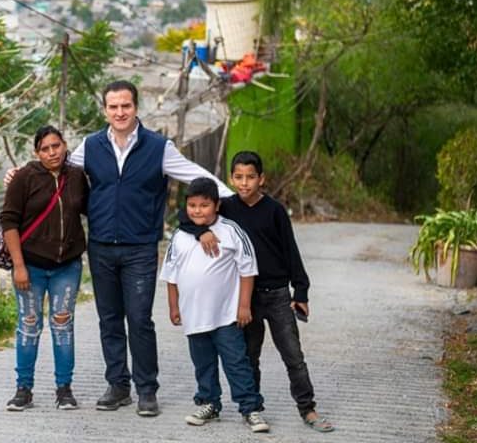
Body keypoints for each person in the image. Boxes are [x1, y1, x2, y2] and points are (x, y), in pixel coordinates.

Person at [67, 80, 232, 417]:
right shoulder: (91, 145)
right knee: (109, 319)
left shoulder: (159, 147)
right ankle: (117, 385)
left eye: (125, 106)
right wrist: (19, 176)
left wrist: (234, 198)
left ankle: (146, 390)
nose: (119, 112)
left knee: (140, 320)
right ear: (105, 110)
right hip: (100, 246)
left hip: (140, 247)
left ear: (136, 107)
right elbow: (55, 171)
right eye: (113, 107)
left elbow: (194, 174)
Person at [199, 150, 335, 433]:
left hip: (277, 294)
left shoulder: (274, 211)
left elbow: (291, 251)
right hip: (244, 296)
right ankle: (253, 409)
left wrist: (301, 292)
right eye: (238, 177)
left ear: (262, 179)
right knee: (249, 355)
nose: (244, 183)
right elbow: (191, 212)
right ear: (231, 178)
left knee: (292, 355)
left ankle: (307, 408)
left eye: (250, 177)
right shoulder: (225, 208)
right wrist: (202, 232)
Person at [160, 177, 269, 433]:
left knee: (236, 362)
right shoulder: (180, 236)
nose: (197, 210)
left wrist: (244, 306)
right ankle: (209, 403)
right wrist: (174, 307)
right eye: (193, 205)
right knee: (203, 363)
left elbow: (247, 269)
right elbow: (170, 274)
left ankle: (250, 408)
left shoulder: (230, 231)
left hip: (226, 315)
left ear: (217, 205)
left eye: (204, 205)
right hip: (194, 316)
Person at [0, 125, 90, 411]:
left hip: (67, 266)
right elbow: (9, 222)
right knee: (29, 327)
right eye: (45, 148)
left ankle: (64, 389)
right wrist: (19, 266)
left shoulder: (76, 177)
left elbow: (91, 208)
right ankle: (23, 389)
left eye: (56, 146)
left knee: (62, 326)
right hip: (31, 268)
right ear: (37, 152)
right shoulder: (24, 178)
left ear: (65, 145)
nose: (52, 152)